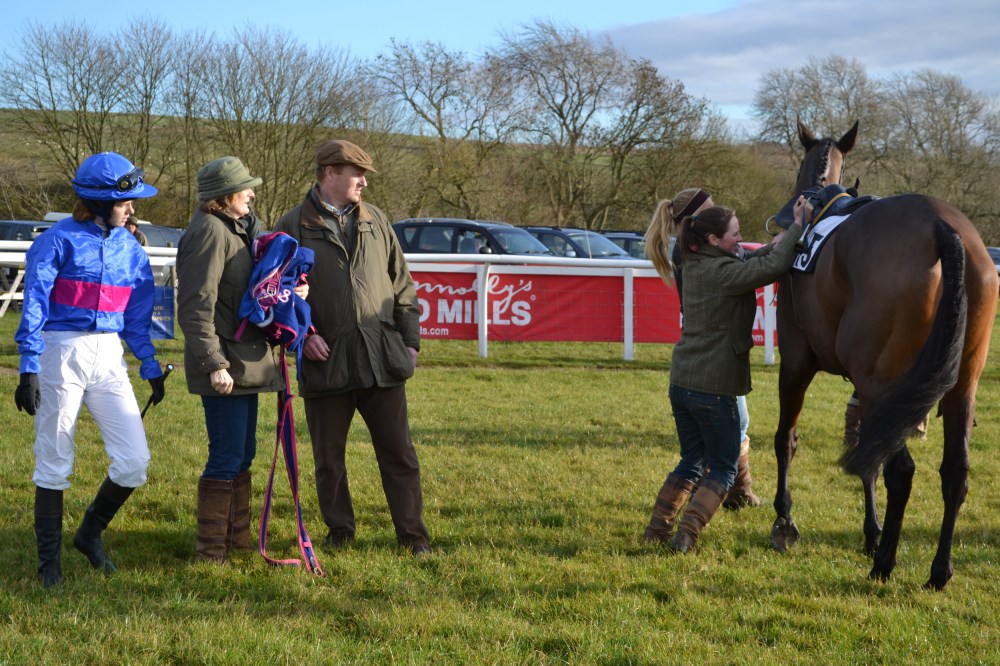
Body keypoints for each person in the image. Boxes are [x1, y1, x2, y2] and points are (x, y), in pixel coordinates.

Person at [14, 151, 166, 587]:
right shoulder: (56, 240)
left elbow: (137, 315)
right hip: (60, 353)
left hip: (108, 354)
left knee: (135, 460)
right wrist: (28, 367)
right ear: (99, 202)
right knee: (54, 456)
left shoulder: (131, 249)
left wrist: (150, 365)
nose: (133, 208)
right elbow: (35, 304)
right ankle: (49, 568)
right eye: (126, 202)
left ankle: (89, 534)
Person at [273, 139, 431, 556]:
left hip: (383, 359)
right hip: (327, 361)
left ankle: (413, 538)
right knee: (329, 461)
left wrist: (409, 341)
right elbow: (277, 294)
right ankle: (340, 532)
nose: (363, 181)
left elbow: (402, 285)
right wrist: (303, 337)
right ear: (329, 173)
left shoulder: (377, 220)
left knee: (400, 456)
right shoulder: (291, 226)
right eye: (355, 173)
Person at [642, 199, 808, 552]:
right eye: (735, 234)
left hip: (682, 381)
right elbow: (775, 266)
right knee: (723, 469)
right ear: (715, 240)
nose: (741, 238)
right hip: (715, 389)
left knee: (691, 460)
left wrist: (777, 240)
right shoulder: (725, 274)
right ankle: (687, 534)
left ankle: (657, 529)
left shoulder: (696, 263)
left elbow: (750, 257)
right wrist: (797, 225)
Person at [176, 156, 304, 562]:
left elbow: (250, 293)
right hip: (225, 366)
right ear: (224, 195)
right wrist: (214, 362)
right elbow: (196, 305)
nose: (252, 193)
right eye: (245, 187)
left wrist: (289, 294)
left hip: (246, 364)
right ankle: (211, 552)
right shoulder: (210, 233)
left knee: (243, 454)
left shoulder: (240, 230)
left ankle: (238, 542)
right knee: (227, 455)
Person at [645, 188, 759, 510]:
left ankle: (730, 490)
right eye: (710, 210)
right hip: (714, 357)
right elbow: (751, 269)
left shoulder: (687, 249)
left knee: (708, 444)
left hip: (693, 358)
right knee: (730, 432)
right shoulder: (694, 254)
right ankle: (726, 490)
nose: (717, 211)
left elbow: (744, 259)